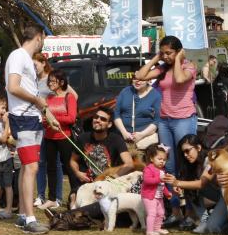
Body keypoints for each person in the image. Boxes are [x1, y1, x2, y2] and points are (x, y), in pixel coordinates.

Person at [6, 24, 57, 235]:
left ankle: (22, 216)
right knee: (31, 168)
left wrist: (46, 112)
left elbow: (26, 89)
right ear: (39, 37)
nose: (43, 41)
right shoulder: (19, 56)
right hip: (23, 119)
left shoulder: (25, 58)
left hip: (32, 118)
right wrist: (37, 100)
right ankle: (29, 219)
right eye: (43, 37)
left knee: (27, 168)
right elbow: (13, 87)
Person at [135, 36, 197, 182]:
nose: (166, 56)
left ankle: (188, 198)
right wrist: (156, 58)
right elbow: (140, 75)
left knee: (185, 158)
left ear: (179, 52)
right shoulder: (162, 68)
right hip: (164, 121)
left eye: (169, 53)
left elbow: (180, 79)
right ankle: (173, 201)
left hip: (184, 119)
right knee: (167, 162)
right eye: (163, 53)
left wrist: (178, 60)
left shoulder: (189, 66)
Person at [39, 69, 78, 209]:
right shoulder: (48, 98)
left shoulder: (69, 97)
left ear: (61, 82)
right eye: (49, 81)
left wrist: (54, 118)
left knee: (69, 167)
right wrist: (47, 120)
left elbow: (72, 118)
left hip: (65, 136)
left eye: (53, 81)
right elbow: (44, 119)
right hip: (49, 137)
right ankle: (52, 198)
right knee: (51, 168)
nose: (50, 83)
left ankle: (74, 197)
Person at [167, 134, 221, 233]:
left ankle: (219, 220)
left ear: (199, 147)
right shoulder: (192, 164)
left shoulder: (210, 159)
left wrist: (178, 183)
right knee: (190, 190)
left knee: (215, 228)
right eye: (183, 152)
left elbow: (201, 184)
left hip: (227, 198)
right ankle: (204, 221)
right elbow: (192, 184)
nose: (185, 155)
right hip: (216, 195)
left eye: (187, 151)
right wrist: (180, 186)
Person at [69, 106, 133, 184]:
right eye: (96, 117)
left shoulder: (116, 139)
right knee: (73, 196)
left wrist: (114, 177)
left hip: (107, 183)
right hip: (87, 183)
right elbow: (73, 160)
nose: (98, 120)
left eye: (103, 119)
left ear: (109, 125)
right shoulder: (82, 138)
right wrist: (77, 173)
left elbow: (129, 164)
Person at [32, 52, 59, 206]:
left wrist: (52, 115)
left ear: (43, 63)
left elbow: (69, 95)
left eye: (35, 64)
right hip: (34, 124)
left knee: (53, 162)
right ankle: (40, 195)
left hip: (48, 125)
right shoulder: (31, 80)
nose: (34, 67)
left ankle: (57, 197)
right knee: (40, 161)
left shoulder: (51, 79)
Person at [114, 75, 161, 153]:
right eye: (135, 78)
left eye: (141, 79)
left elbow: (157, 120)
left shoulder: (156, 95)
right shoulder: (125, 91)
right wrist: (124, 133)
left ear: (148, 80)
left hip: (144, 141)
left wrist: (142, 135)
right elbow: (116, 114)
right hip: (123, 139)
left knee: (142, 164)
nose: (137, 81)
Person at [142, 145, 172, 235]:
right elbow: (147, 181)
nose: (162, 161)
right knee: (152, 213)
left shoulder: (162, 170)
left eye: (164, 159)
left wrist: (167, 193)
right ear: (151, 158)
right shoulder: (148, 169)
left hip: (158, 197)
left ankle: (157, 228)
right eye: (159, 159)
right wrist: (159, 178)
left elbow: (162, 186)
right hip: (149, 196)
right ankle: (149, 231)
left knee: (161, 213)